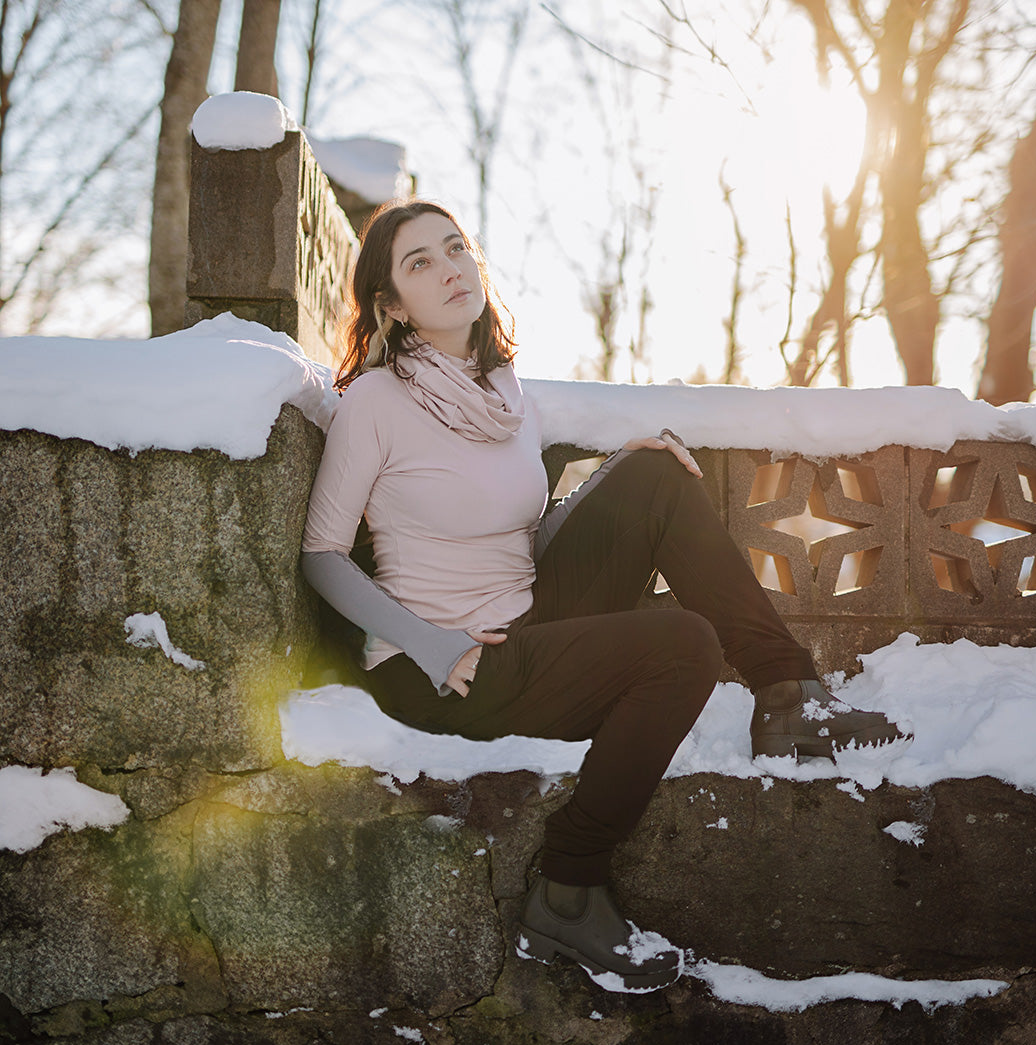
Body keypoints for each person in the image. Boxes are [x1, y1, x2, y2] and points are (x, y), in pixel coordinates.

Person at [301, 198, 906, 993]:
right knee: (683, 645)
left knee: (657, 472)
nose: (451, 268)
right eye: (420, 263)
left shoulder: (504, 396)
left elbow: (518, 539)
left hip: (522, 620)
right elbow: (322, 556)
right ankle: (568, 887)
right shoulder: (377, 401)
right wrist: (428, 643)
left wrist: (620, 480)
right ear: (392, 305)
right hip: (447, 666)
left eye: (456, 248)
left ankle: (789, 694)